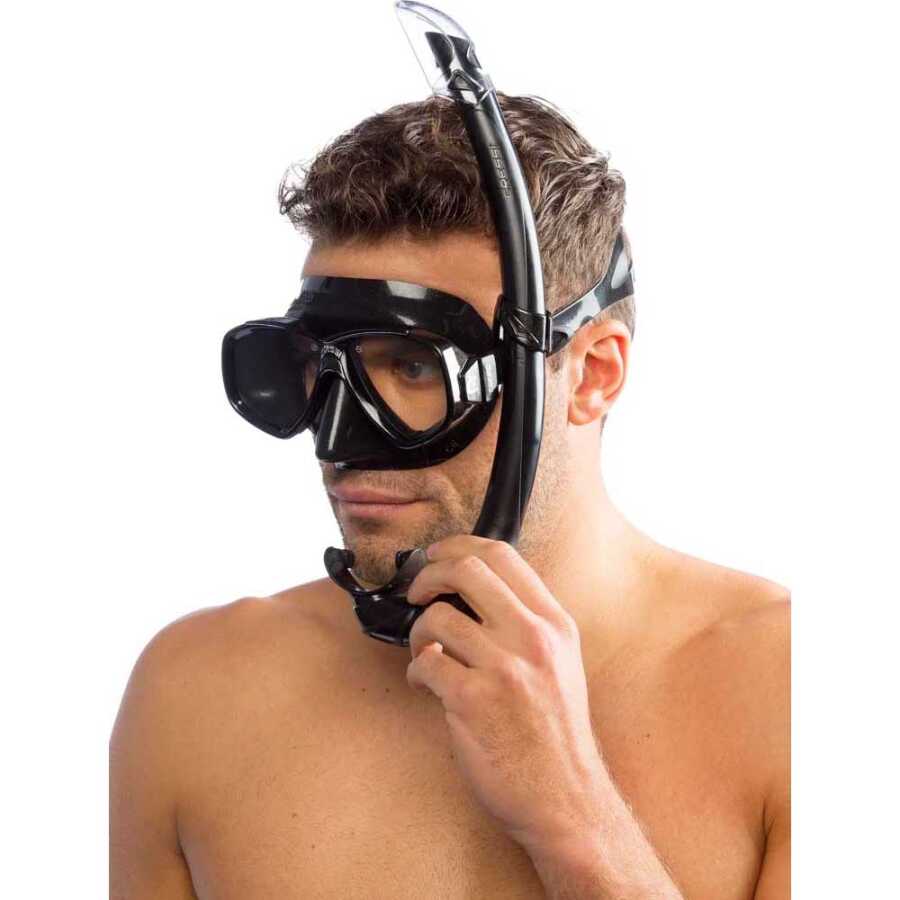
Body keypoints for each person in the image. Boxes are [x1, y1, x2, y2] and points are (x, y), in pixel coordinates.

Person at [110, 93, 790, 899]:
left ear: (593, 374)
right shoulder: (196, 696)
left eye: (413, 366)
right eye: (319, 365)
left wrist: (575, 815)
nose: (338, 438)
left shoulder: (789, 691)